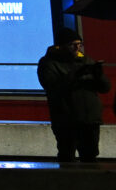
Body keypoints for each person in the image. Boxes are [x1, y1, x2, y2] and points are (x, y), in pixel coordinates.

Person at [38, 31, 108, 162]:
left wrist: (99, 76)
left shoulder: (86, 60)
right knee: (66, 155)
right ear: (61, 46)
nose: (78, 48)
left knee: (90, 156)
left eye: (80, 44)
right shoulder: (48, 63)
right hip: (66, 119)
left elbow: (105, 88)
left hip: (90, 119)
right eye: (72, 45)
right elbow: (52, 86)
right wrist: (75, 74)